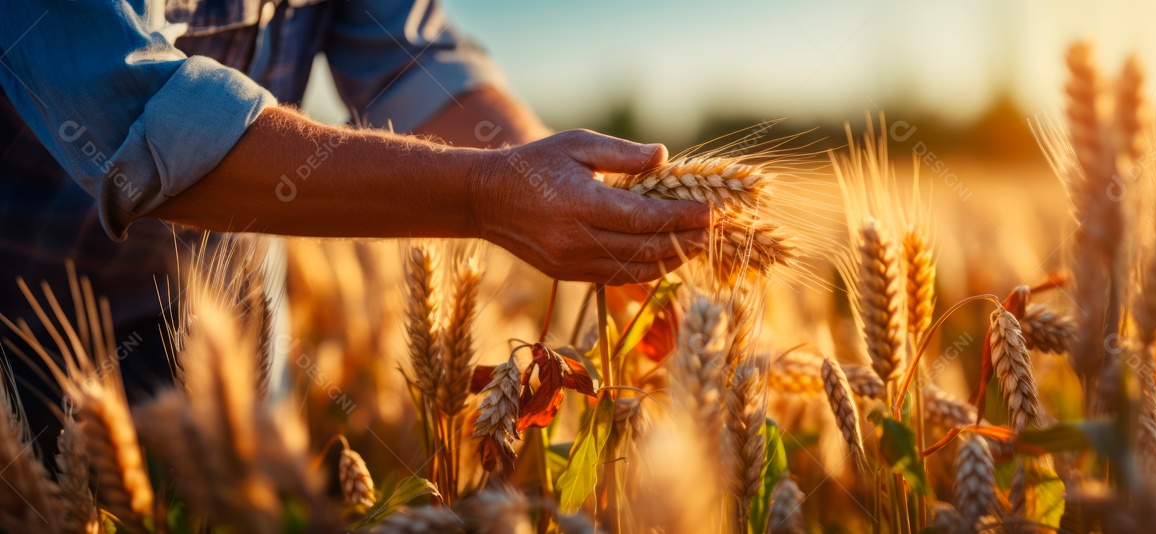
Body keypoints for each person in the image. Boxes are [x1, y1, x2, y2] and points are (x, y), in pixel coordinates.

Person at [0, 0, 708, 459]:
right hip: (17, 321)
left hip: (222, 322)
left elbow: (417, 63)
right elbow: (135, 118)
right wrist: (485, 197)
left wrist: (586, 200)